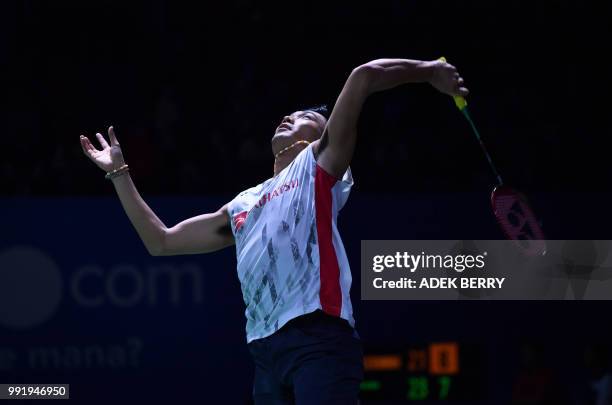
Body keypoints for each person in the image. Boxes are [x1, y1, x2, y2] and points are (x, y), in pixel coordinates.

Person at [79, 58, 468, 404]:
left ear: (319, 136)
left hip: (319, 340)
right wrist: (118, 174)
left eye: (303, 118)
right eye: (288, 114)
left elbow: (363, 75)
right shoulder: (242, 203)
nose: (289, 117)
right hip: (264, 352)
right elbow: (160, 241)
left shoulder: (321, 167)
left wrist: (431, 70)